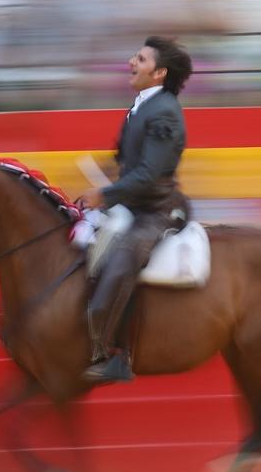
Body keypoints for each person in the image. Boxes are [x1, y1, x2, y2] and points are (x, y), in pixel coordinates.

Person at [77, 35, 192, 384]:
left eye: (140, 60)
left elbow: (148, 174)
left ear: (159, 73)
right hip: (132, 203)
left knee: (121, 261)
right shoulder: (142, 104)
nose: (131, 62)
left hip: (156, 211)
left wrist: (106, 194)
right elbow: (126, 160)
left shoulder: (165, 113)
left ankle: (115, 355)